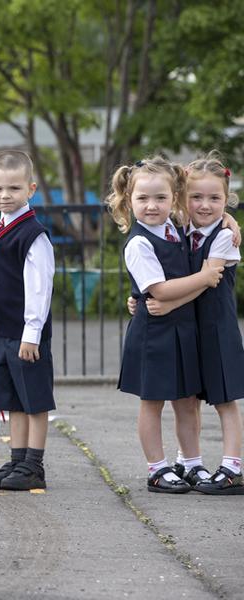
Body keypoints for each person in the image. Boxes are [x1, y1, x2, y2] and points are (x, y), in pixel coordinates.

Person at [107, 156, 223, 493]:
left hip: (183, 329)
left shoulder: (177, 229)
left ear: (175, 199)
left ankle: (191, 463)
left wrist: (228, 218)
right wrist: (204, 277)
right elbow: (158, 290)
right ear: (129, 201)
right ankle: (157, 469)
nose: (152, 205)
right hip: (154, 334)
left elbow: (212, 217)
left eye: (161, 198)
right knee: (153, 401)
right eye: (142, 198)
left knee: (187, 400)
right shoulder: (139, 243)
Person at [139, 153, 244, 494]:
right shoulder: (180, 230)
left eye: (215, 199)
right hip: (188, 329)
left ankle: (232, 467)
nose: (204, 205)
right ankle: (190, 463)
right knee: (189, 400)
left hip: (216, 327)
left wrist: (166, 303)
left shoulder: (225, 238)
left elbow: (208, 278)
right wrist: (138, 299)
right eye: (196, 197)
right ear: (183, 199)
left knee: (225, 400)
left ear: (227, 199)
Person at [0, 150, 55, 491]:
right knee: (13, 401)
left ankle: (34, 465)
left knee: (34, 400)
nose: (4, 196)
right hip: (3, 332)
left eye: (13, 189)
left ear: (30, 189)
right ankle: (18, 459)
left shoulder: (33, 234)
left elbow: (40, 287)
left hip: (26, 334)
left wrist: (31, 333)